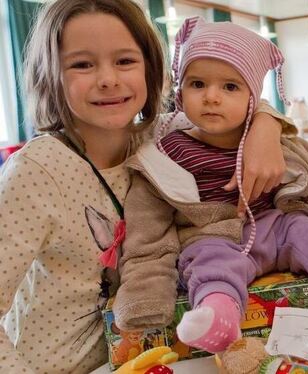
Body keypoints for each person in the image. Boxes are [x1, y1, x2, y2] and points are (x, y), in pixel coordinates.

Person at [0, 0, 291, 372]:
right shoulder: (36, 171)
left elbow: (241, 102)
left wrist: (266, 125)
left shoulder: (164, 136)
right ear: (50, 74)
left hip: (155, 357)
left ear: (152, 68)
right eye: (82, 64)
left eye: (124, 61)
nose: (108, 79)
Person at [112, 17, 308, 354]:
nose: (212, 97)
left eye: (230, 87)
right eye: (198, 84)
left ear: (253, 97)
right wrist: (145, 293)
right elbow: (148, 228)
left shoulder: (277, 144)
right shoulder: (166, 152)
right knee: (208, 263)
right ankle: (219, 318)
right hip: (213, 237)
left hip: (278, 228)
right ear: (180, 90)